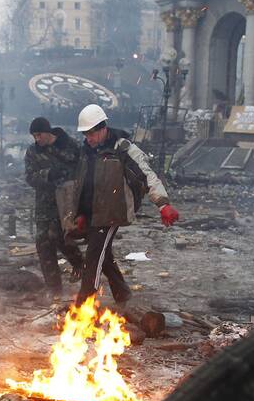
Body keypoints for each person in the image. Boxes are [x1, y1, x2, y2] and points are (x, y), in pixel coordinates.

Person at [67, 103, 179, 305]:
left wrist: (163, 204)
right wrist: (80, 212)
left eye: (91, 133)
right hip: (92, 212)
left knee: (94, 257)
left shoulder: (123, 149)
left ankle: (83, 305)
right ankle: (122, 293)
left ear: (103, 128)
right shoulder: (86, 152)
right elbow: (83, 185)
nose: (88, 138)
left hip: (112, 212)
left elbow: (147, 175)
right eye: (85, 134)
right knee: (103, 254)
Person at [24, 116, 85, 297]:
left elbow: (82, 169)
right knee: (43, 243)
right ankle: (54, 289)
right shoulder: (32, 152)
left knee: (62, 238)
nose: (37, 139)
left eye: (39, 134)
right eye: (34, 136)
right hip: (44, 203)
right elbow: (29, 176)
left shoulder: (69, 145)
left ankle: (79, 263)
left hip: (66, 203)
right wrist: (48, 174)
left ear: (48, 132)